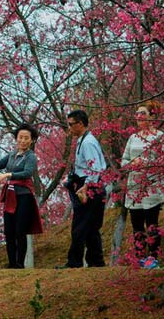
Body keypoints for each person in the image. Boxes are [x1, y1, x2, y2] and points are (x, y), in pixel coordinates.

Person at [0, 123, 43, 269]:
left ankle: (19, 264)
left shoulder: (31, 156)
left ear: (31, 140)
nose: (23, 141)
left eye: (26, 138)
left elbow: (27, 173)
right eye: (20, 137)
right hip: (10, 194)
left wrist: (8, 174)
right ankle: (11, 263)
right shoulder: (12, 154)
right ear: (16, 138)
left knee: (20, 230)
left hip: (24, 196)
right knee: (9, 231)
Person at [120, 101, 164, 269]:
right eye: (137, 114)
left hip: (151, 186)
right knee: (137, 225)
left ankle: (153, 257)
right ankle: (139, 256)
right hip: (134, 186)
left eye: (143, 114)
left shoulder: (159, 136)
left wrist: (146, 162)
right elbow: (124, 161)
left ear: (151, 117)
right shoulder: (133, 138)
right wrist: (133, 163)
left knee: (152, 223)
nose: (139, 117)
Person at [59, 109, 107, 268]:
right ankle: (96, 261)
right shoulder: (82, 140)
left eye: (71, 124)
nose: (70, 128)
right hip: (87, 184)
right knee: (92, 227)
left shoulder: (88, 142)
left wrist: (86, 187)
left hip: (91, 187)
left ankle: (75, 262)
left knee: (80, 226)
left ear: (80, 124)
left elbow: (96, 168)